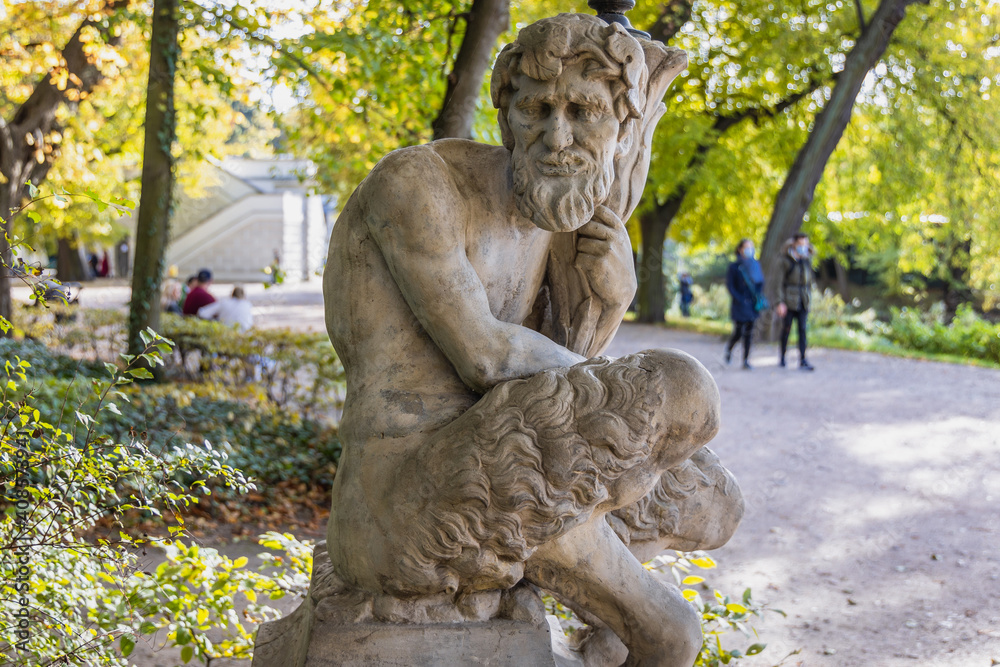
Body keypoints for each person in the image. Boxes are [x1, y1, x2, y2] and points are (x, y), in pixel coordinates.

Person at [317, 15, 740, 665]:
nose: (556, 137)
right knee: (677, 390)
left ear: (621, 129)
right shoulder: (418, 186)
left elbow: (566, 413)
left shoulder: (555, 219)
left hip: (500, 465)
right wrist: (623, 386)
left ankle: (613, 616)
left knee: (716, 496)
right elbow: (488, 357)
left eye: (585, 112)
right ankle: (648, 621)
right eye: (537, 109)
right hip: (399, 505)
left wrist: (606, 296)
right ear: (505, 112)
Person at [776, 232, 816, 370]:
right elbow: (779, 283)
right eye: (800, 244)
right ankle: (782, 357)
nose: (803, 247)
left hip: (803, 300)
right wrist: (780, 302)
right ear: (794, 244)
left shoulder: (806, 260)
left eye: (805, 244)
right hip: (789, 301)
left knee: (803, 330)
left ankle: (803, 359)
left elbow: (809, 282)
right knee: (786, 329)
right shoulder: (786, 261)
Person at [724, 239, 764, 369]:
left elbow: (760, 283)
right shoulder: (734, 267)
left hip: (752, 304)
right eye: (746, 247)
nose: (749, 250)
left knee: (749, 332)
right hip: (740, 304)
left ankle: (746, 360)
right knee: (739, 332)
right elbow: (730, 286)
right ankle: (729, 350)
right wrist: (739, 299)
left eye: (751, 247)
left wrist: (757, 297)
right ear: (740, 249)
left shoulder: (755, 265)